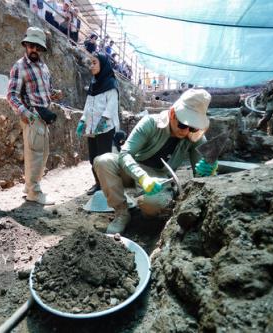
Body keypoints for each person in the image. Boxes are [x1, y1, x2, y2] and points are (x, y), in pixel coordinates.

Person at [94, 89, 218, 234]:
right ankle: (122, 213)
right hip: (133, 169)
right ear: (172, 114)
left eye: (192, 127)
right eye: (183, 125)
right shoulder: (150, 122)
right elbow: (125, 154)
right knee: (103, 161)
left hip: (159, 178)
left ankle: (150, 208)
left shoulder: (195, 137)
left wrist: (212, 168)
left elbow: (206, 178)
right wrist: (143, 177)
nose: (186, 131)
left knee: (153, 205)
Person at [7, 27, 62, 205]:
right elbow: (11, 95)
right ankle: (34, 192)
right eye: (32, 46)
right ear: (26, 45)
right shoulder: (19, 67)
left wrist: (53, 94)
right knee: (36, 155)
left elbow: (45, 91)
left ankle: (28, 187)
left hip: (43, 117)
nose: (34, 50)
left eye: (38, 47)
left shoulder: (44, 67)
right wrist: (26, 114)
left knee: (42, 154)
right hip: (32, 116)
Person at [76, 53, 120, 195]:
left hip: (105, 128)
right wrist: (83, 120)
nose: (91, 66)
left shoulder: (111, 83)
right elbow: (88, 104)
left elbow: (112, 105)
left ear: (103, 65)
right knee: (93, 158)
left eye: (94, 63)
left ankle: (107, 186)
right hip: (92, 127)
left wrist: (104, 120)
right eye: (90, 63)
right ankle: (98, 184)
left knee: (104, 159)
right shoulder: (94, 84)